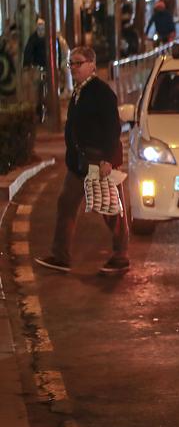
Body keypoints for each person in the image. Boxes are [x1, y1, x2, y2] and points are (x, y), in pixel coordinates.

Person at [35, 46, 129, 274]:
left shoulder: (102, 93)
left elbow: (112, 128)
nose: (73, 68)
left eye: (78, 63)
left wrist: (108, 159)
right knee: (66, 203)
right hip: (78, 163)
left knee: (109, 209)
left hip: (98, 161)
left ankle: (121, 256)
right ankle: (60, 256)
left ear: (92, 65)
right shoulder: (79, 91)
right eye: (70, 64)